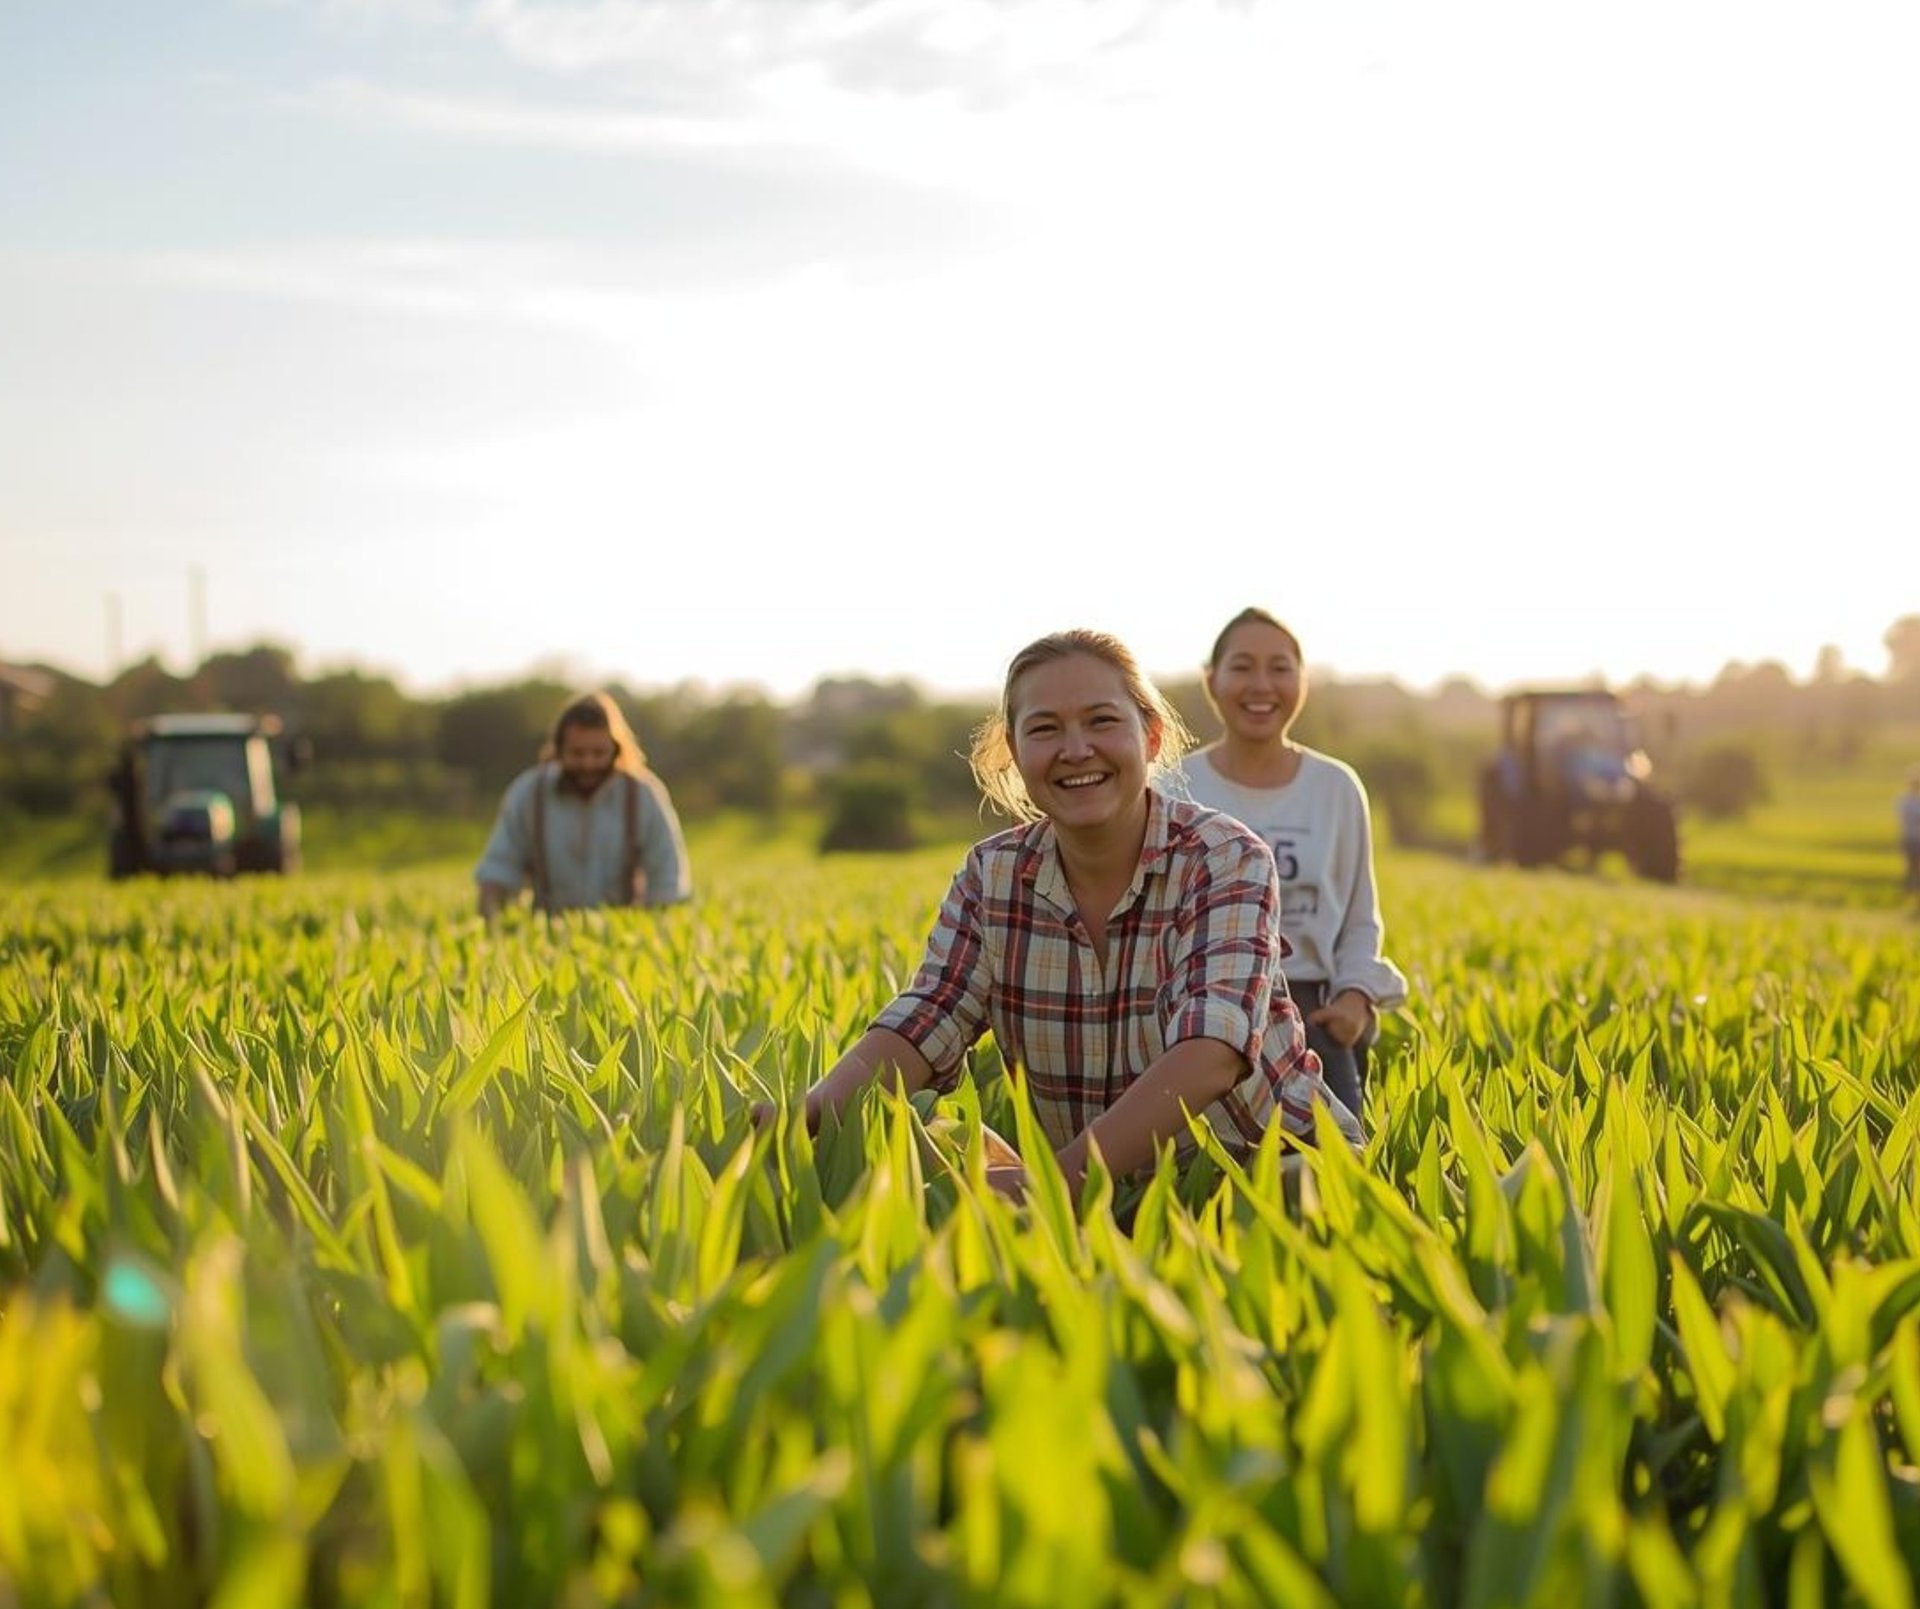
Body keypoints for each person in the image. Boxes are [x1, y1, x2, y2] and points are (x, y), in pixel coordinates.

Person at [787, 629, 1363, 1202]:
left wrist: (1050, 1187)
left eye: (1102, 721)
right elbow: (926, 1019)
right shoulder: (994, 875)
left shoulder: (1224, 858)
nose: (1075, 748)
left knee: (1299, 1192)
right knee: (911, 1141)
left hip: (1257, 1173)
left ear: (1152, 736)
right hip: (1094, 1194)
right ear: (1014, 752)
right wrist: (803, 1121)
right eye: (1044, 729)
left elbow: (1211, 1054)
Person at [1176, 608, 1407, 1118]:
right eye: (1242, 667)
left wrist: (1355, 997)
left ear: (1303, 681)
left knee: (1334, 1177)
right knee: (1194, 1179)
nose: (1262, 685)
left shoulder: (1336, 788)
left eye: (1280, 668)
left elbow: (1359, 918)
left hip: (1311, 1014)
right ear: (1211, 680)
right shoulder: (1173, 787)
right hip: (1197, 1015)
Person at [475, 691, 691, 918]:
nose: (588, 763)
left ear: (616, 750)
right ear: (558, 750)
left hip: (622, 936)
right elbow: (498, 870)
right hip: (548, 936)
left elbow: (666, 879)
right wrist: (493, 933)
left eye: (599, 753)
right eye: (577, 753)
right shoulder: (529, 793)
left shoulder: (643, 795)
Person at [1901, 768, 1920, 894]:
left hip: (1912, 837)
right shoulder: (1905, 801)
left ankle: (1912, 888)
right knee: (1912, 865)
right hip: (1911, 837)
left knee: (1914, 865)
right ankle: (1910, 889)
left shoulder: (1904, 801)